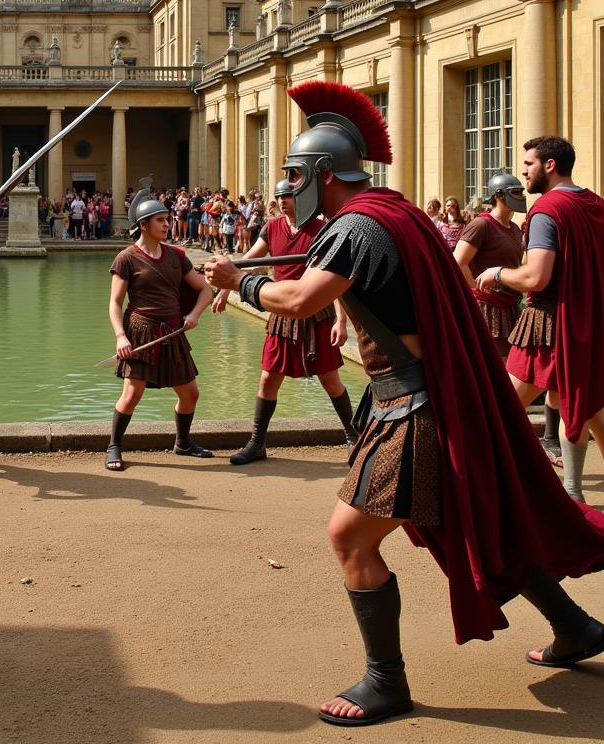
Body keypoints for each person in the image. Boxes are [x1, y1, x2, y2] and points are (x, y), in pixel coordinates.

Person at [205, 81, 604, 729]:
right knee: (482, 519)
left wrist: (239, 279)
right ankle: (575, 625)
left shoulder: (356, 226)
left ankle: (385, 683)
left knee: (349, 535)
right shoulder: (395, 212)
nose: (287, 185)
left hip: (411, 409)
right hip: (428, 396)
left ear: (321, 174)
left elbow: (299, 300)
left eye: (293, 174)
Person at [477, 135, 604, 503]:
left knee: (500, 405)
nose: (523, 172)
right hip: (590, 324)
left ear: (550, 165)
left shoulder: (547, 209)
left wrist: (499, 273)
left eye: (529, 164)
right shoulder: (595, 203)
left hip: (548, 323)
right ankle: (573, 492)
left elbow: (535, 278)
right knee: (584, 405)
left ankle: (488, 486)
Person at [213, 179, 355, 463]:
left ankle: (352, 436)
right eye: (279, 196)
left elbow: (334, 279)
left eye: (288, 196)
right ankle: (257, 442)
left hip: (317, 313)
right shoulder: (272, 227)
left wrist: (341, 320)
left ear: (301, 198)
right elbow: (248, 260)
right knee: (268, 380)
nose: (283, 200)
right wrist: (226, 289)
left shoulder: (321, 229)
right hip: (281, 313)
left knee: (330, 381)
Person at [105, 188, 213, 471]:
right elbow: (115, 304)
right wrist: (120, 336)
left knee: (190, 393)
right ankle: (114, 446)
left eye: (168, 219)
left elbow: (204, 290)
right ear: (144, 224)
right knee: (132, 393)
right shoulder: (126, 258)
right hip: (140, 331)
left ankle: (183, 442)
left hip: (173, 331)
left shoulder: (177, 256)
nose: (168, 225)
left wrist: (194, 315)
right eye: (161, 220)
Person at [453, 173, 525, 360]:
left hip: (510, 305)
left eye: (520, 192)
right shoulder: (481, 225)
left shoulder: (515, 228)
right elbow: (458, 262)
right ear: (499, 196)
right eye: (515, 192)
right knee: (495, 365)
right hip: (487, 308)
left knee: (512, 365)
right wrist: (479, 288)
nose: (520, 196)